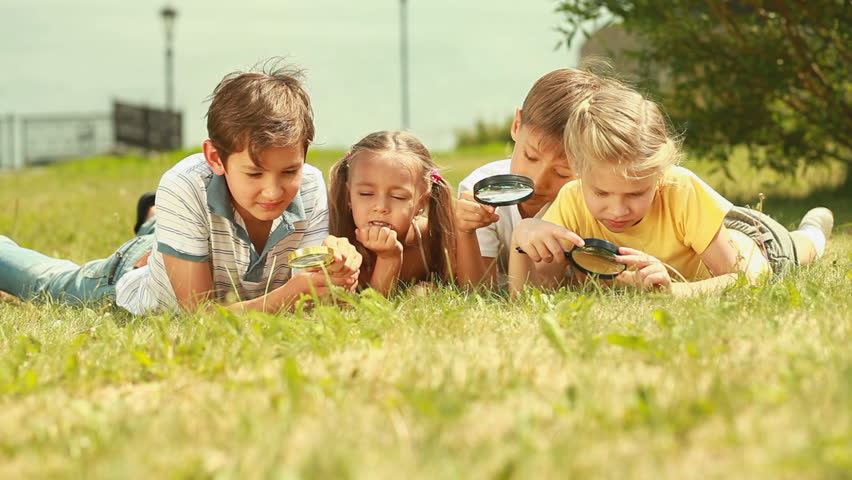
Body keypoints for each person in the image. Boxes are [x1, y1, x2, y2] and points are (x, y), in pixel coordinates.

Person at [0, 60, 362, 313]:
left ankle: (157, 218)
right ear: (216, 158)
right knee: (46, 282)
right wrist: (288, 296)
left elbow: (312, 289)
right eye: (254, 174)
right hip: (135, 272)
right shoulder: (184, 184)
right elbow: (199, 318)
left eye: (289, 172)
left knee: (180, 220)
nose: (273, 192)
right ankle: (158, 222)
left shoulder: (311, 185)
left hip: (190, 231)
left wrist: (336, 273)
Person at [509, 85, 834, 297]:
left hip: (749, 242)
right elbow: (530, 295)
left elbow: (748, 278)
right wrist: (522, 236)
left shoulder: (680, 190)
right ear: (579, 171)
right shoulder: (572, 199)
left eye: (636, 194)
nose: (618, 210)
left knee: (799, 249)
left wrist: (674, 291)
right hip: (705, 228)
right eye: (602, 194)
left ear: (658, 175)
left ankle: (813, 231)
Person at [455, 67, 622, 288]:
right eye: (531, 157)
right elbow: (476, 291)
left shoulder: (593, 201)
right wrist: (465, 231)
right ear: (516, 125)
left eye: (562, 172)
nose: (539, 181)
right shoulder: (481, 191)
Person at [328, 131, 456, 295]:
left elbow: (472, 288)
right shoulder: (341, 247)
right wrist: (389, 258)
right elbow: (372, 308)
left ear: (421, 203)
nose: (380, 207)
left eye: (398, 197)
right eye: (366, 194)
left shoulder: (431, 238)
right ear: (349, 196)